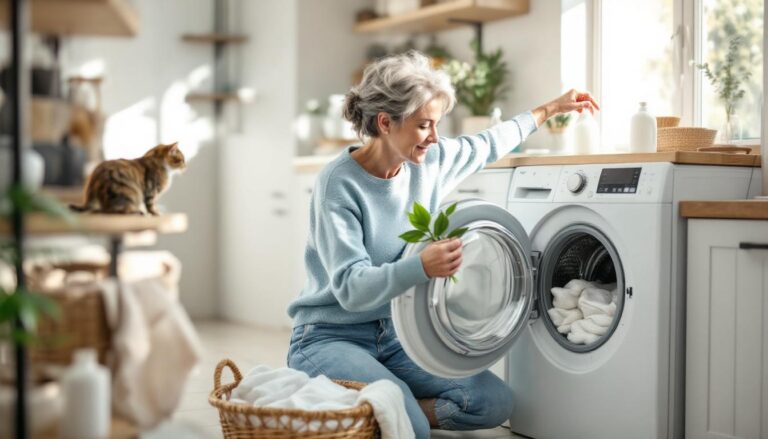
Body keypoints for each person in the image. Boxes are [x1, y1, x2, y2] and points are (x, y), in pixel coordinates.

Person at [287, 50, 599, 438]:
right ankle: (385, 407)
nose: (434, 137)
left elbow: (489, 142)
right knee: (409, 425)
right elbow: (351, 288)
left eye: (436, 125)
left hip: (397, 335)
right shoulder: (339, 184)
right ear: (385, 122)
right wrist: (421, 266)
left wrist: (552, 108)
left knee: (493, 402)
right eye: (424, 125)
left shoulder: (430, 159)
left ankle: (383, 408)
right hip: (329, 336)